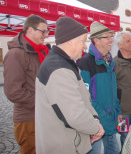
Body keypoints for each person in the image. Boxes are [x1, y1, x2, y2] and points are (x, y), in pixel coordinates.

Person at [35, 17, 105, 154]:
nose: (85, 46)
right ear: (70, 41)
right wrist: (96, 128)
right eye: (83, 41)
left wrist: (94, 118)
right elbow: (75, 116)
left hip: (71, 142)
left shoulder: (65, 63)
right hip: (63, 146)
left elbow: (84, 99)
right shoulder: (59, 69)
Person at [3, 14, 49, 154]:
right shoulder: (16, 54)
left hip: (41, 114)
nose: (46, 35)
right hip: (28, 118)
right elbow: (13, 91)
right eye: (43, 31)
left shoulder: (38, 51)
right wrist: (42, 101)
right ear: (30, 30)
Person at [77, 21, 122, 154]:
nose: (111, 40)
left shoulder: (110, 61)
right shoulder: (84, 63)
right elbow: (85, 98)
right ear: (96, 40)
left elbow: (114, 92)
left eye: (111, 36)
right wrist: (104, 116)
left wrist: (118, 112)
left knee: (115, 150)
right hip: (96, 125)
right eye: (107, 37)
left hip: (112, 122)